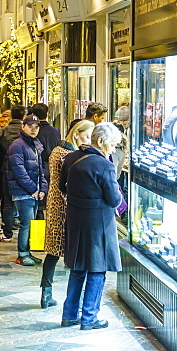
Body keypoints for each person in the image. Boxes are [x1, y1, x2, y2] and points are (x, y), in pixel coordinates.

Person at [59, 121, 123, 330]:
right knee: (97, 269)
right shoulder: (104, 165)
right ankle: (89, 317)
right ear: (102, 141)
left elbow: (62, 186)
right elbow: (114, 199)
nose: (113, 150)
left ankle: (69, 314)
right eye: (113, 145)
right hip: (98, 224)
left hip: (76, 219)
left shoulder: (70, 158)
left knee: (78, 267)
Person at [40, 119, 94, 309]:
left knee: (54, 251)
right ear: (77, 133)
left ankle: (46, 292)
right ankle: (74, 300)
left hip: (55, 203)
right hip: (67, 205)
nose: (88, 140)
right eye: (86, 136)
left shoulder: (58, 150)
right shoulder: (70, 155)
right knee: (74, 251)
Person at [7, 114, 48, 265]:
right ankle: (22, 254)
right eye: (30, 126)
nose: (33, 129)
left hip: (33, 192)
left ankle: (27, 252)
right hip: (23, 192)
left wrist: (42, 188)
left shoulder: (35, 145)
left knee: (30, 223)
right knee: (26, 223)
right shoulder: (17, 145)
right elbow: (19, 171)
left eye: (36, 127)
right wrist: (33, 189)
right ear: (23, 126)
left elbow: (40, 170)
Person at [0, 104, 25, 241]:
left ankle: (7, 232)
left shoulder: (2, 131)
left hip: (7, 169)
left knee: (8, 202)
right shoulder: (26, 132)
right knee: (27, 202)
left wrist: (2, 166)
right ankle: (26, 232)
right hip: (25, 170)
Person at [33, 102, 60, 194]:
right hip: (51, 167)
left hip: (36, 166)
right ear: (47, 115)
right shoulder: (55, 131)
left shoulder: (33, 131)